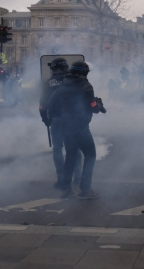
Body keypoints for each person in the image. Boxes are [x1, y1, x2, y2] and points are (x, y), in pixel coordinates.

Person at [47, 61, 103, 200]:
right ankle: (85, 190)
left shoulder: (63, 85)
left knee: (70, 157)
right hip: (80, 127)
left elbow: (50, 104)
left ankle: (66, 189)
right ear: (83, 72)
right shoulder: (86, 86)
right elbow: (93, 107)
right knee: (90, 155)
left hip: (66, 127)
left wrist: (61, 115)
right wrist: (98, 104)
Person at [39, 58, 82, 189]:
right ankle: (78, 176)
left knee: (57, 149)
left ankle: (61, 179)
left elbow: (42, 105)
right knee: (76, 148)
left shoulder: (48, 84)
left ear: (53, 69)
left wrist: (45, 120)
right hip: (73, 120)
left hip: (56, 120)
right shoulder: (74, 81)